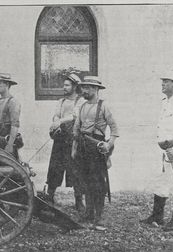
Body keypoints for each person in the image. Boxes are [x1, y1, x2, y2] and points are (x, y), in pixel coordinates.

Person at [140, 66, 173, 232]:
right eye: (163, 81)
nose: (162, 84)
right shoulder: (165, 102)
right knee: (161, 181)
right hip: (163, 149)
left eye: (166, 81)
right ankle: (157, 216)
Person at [72, 76, 119, 229]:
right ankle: (89, 213)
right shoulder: (83, 106)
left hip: (96, 148)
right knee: (85, 181)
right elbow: (77, 129)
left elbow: (114, 129)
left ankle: (99, 217)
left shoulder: (104, 106)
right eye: (83, 87)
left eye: (87, 88)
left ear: (96, 89)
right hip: (82, 147)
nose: (83, 90)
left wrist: (108, 144)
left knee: (98, 183)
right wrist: (74, 148)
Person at [46, 73, 86, 211]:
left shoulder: (80, 101)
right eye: (64, 85)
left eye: (67, 85)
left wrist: (60, 121)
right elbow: (56, 114)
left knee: (75, 169)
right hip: (60, 140)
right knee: (55, 167)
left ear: (75, 87)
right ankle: (50, 196)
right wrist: (55, 120)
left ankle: (79, 200)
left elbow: (75, 116)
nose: (64, 87)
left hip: (73, 140)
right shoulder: (61, 101)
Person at [0, 73, 22, 159]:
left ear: (7, 84)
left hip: (5, 144)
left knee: (8, 170)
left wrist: (10, 145)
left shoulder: (13, 102)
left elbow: (15, 125)